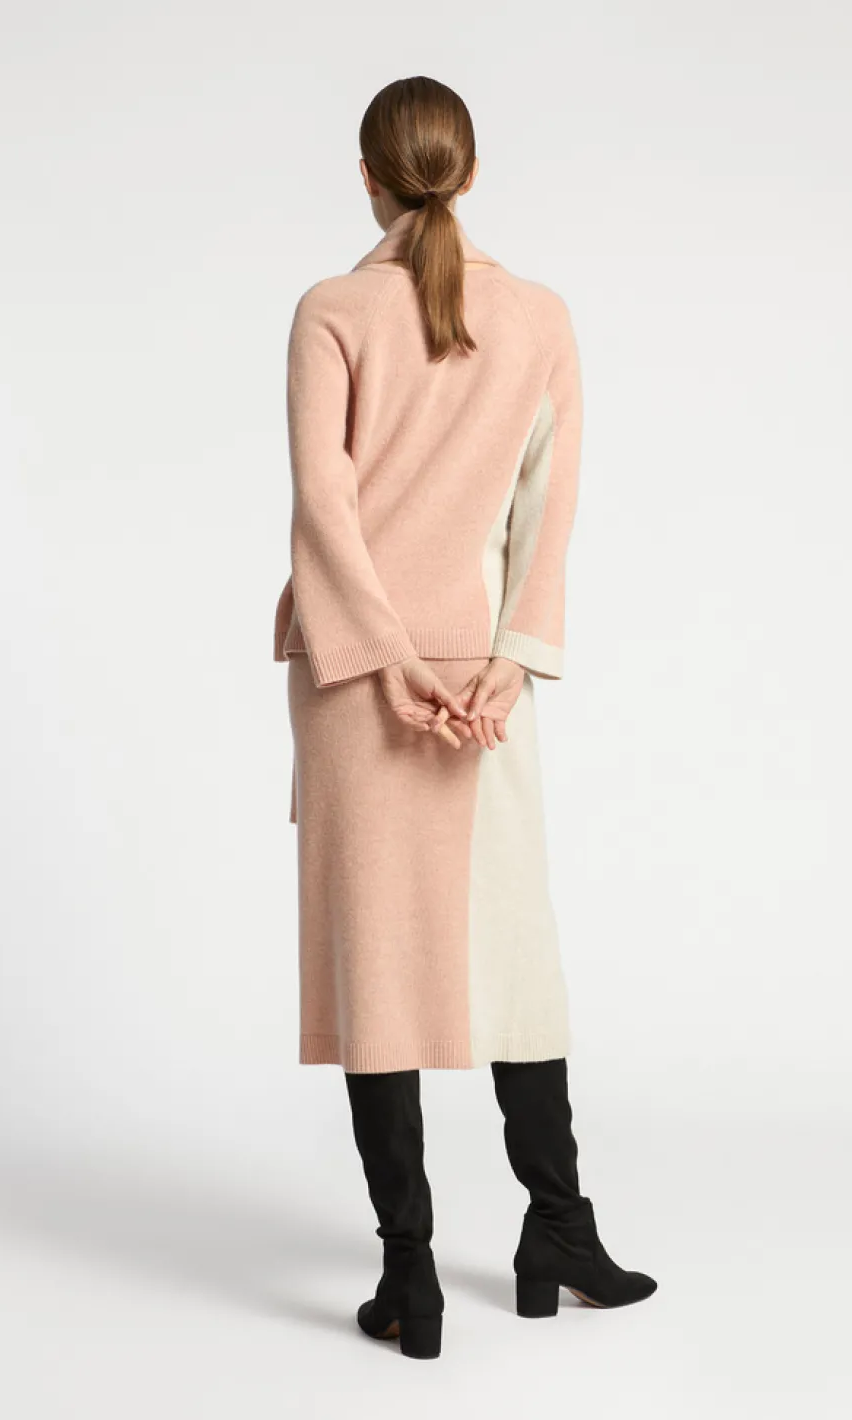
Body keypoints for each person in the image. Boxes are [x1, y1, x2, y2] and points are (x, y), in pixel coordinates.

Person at [272, 75, 656, 1360]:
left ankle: (411, 1275)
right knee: (512, 953)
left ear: (366, 177)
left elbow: (323, 503)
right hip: (479, 685)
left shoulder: (331, 311)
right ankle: (560, 1228)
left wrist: (382, 661)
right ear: (470, 173)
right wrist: (510, 659)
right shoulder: (539, 315)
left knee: (377, 964)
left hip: (357, 676)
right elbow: (551, 504)